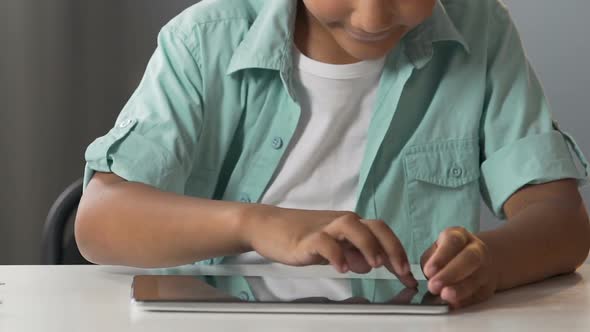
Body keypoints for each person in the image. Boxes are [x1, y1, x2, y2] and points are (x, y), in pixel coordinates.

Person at [75, 0, 590, 309]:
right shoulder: (204, 40)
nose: (373, 14)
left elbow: (562, 222)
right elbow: (98, 221)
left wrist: (490, 261)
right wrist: (257, 223)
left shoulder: (482, 33)